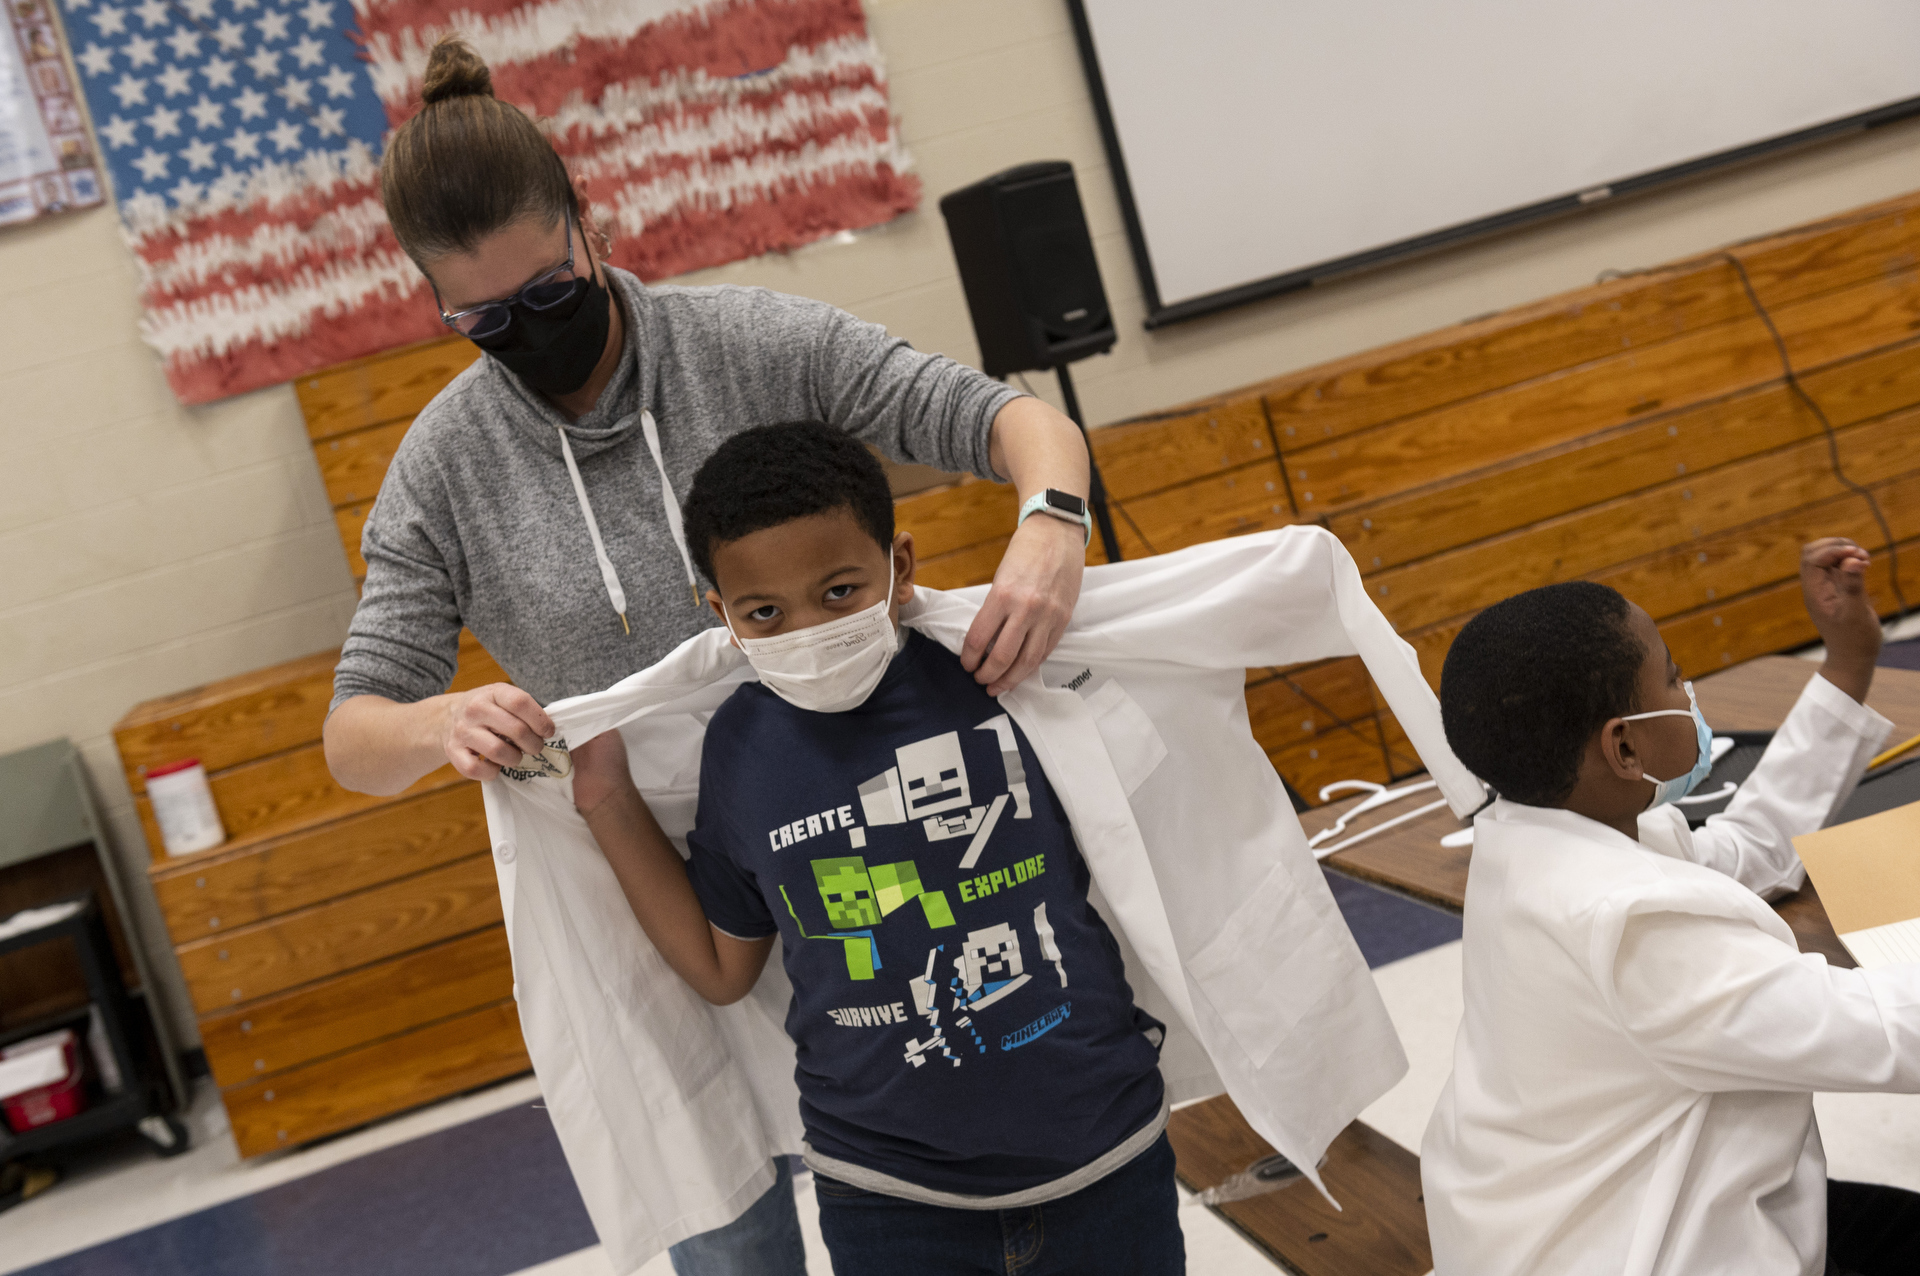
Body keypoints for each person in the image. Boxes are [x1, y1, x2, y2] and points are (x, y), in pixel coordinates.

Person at [319, 35, 1099, 1275]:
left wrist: (1053, 524)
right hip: (647, 878)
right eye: (485, 319)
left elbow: (1009, 419)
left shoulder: (747, 342)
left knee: (945, 1159)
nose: (530, 332)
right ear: (435, 305)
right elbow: (353, 736)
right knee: (729, 1228)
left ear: (589, 223)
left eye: (550, 293)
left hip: (859, 825)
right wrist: (436, 724)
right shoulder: (445, 467)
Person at [571, 424, 1183, 1274]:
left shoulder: (997, 671)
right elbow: (721, 968)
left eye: (838, 591)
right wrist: (601, 795)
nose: (807, 628)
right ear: (722, 616)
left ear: (899, 566)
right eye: (764, 612)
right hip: (888, 1198)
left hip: (1106, 1152)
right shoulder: (740, 753)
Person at [1421, 538, 1920, 1276]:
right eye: (1675, 676)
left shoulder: (1535, 836)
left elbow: (1752, 846)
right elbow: (1888, 1035)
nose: (1689, 694)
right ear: (1624, 749)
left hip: (1558, 1212)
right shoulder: (1630, 920)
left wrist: (1847, 665)